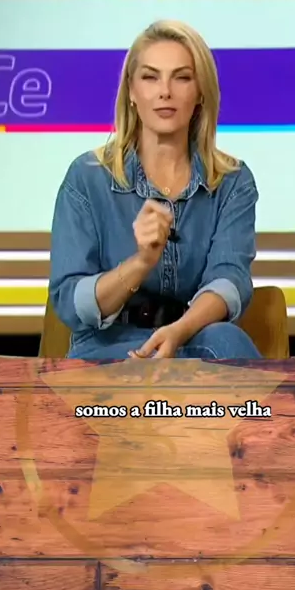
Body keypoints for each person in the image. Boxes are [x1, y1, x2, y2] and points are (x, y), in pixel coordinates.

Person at [49, 20, 262, 361]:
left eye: (182, 77)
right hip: (107, 346)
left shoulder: (232, 182)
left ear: (201, 91)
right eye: (150, 77)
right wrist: (141, 262)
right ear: (131, 92)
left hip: (191, 336)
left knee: (226, 340)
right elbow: (72, 302)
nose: (165, 91)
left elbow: (229, 280)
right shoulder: (87, 178)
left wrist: (178, 331)